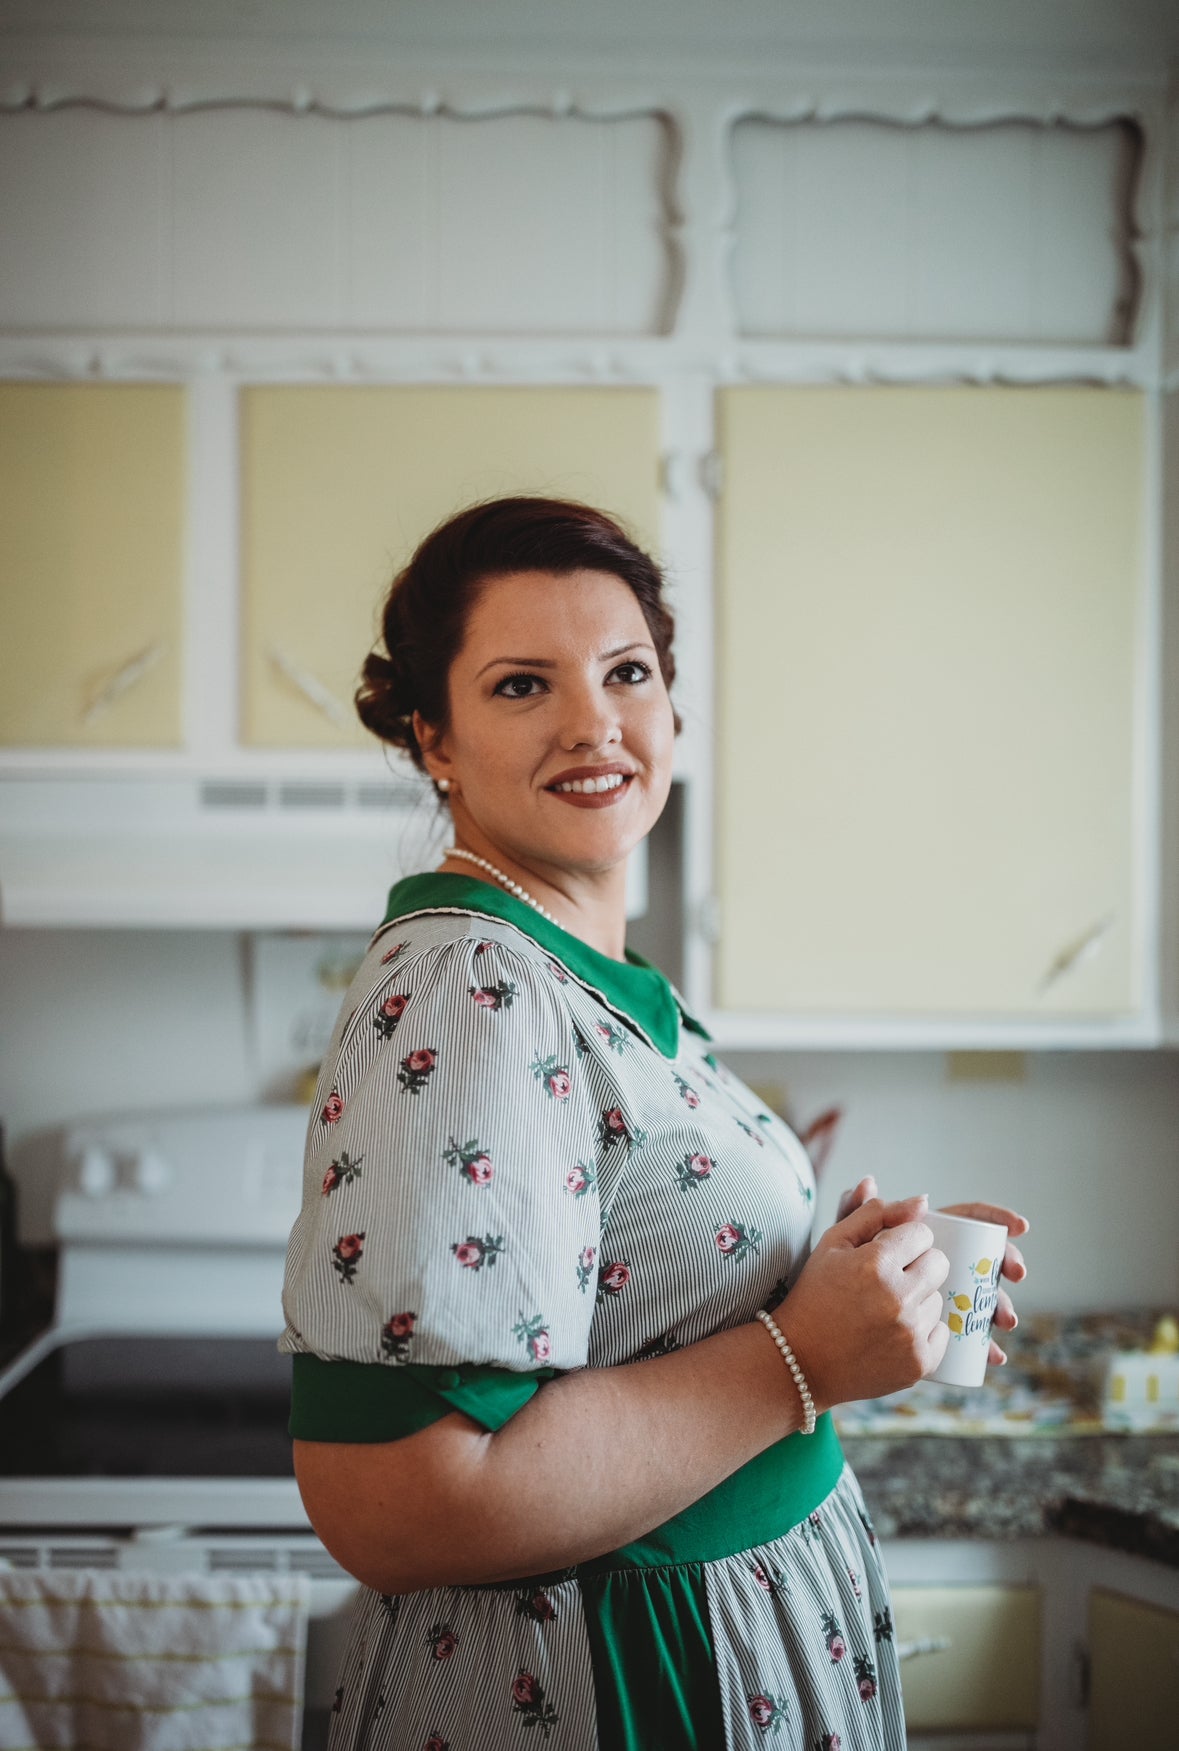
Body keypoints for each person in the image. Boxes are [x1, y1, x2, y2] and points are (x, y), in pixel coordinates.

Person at [281, 496, 1029, 1751]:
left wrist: (836, 1295)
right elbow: (393, 1503)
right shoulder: (473, 984)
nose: (594, 722)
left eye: (627, 672)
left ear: (673, 707)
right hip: (619, 1689)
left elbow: (636, 1308)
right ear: (434, 737)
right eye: (523, 684)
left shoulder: (579, 971)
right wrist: (802, 1358)